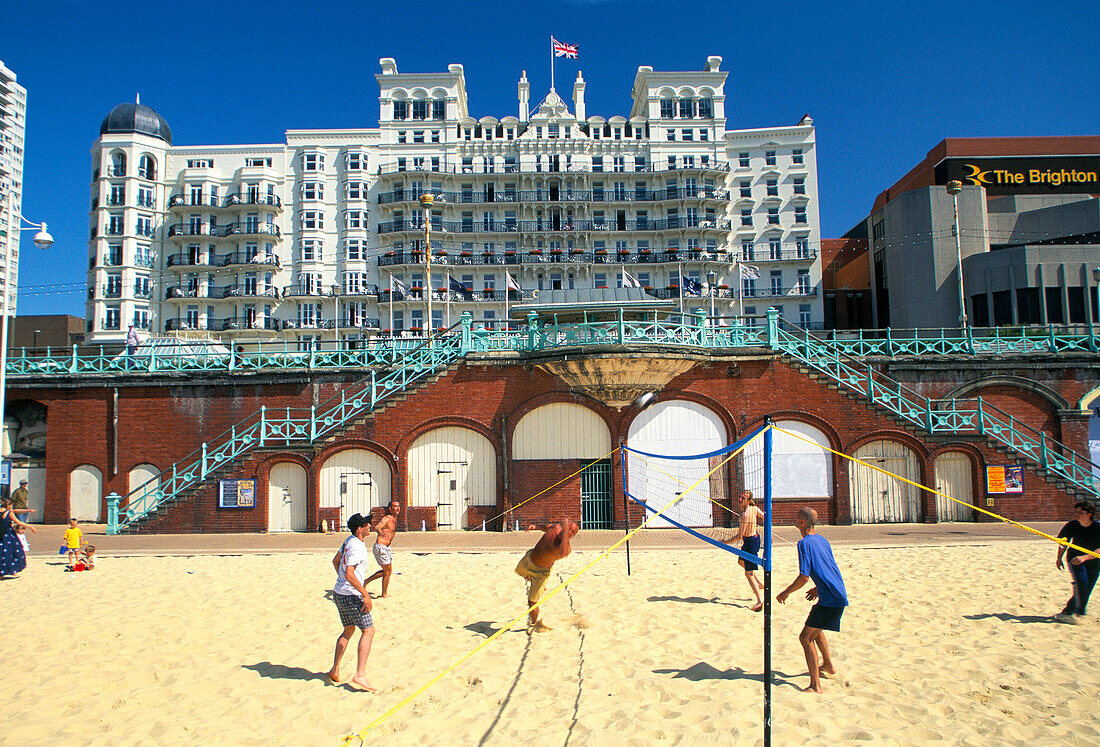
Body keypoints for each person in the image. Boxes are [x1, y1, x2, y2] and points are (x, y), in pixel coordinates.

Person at [777, 507, 848, 694]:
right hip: (837, 593)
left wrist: (786, 592)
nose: (795, 520)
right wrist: (820, 587)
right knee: (816, 630)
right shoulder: (823, 540)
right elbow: (829, 567)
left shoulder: (804, 543)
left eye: (796, 518)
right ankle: (829, 666)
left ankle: (815, 686)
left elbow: (803, 577)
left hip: (831, 599)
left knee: (805, 638)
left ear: (802, 522)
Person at [327, 513, 377, 692]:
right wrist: (364, 593)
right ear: (359, 528)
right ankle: (360, 674)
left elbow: (336, 561)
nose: (369, 526)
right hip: (350, 595)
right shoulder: (356, 546)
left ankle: (335, 669)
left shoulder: (348, 541)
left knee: (348, 630)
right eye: (366, 524)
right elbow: (349, 573)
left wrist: (342, 581)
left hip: (339, 593)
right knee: (369, 630)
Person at [515, 518, 580, 632]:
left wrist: (565, 533)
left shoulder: (567, 548)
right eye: (569, 528)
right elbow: (546, 527)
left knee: (532, 602)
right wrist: (535, 527)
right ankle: (536, 583)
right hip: (529, 558)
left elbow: (561, 550)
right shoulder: (555, 528)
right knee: (518, 570)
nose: (569, 532)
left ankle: (534, 623)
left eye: (572, 532)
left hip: (541, 573)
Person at [1054, 500, 1100, 623]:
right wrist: (1059, 559)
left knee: (1086, 589)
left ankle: (1068, 611)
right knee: (1082, 585)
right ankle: (1079, 614)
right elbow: (1063, 543)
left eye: (1081, 512)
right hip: (1074, 559)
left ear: (1089, 514)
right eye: (1076, 512)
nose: (1077, 514)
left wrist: (1085, 557)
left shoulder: (1097, 527)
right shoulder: (1071, 525)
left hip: (1093, 561)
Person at [724, 490, 766, 612]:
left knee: (749, 574)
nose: (740, 499)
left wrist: (725, 541)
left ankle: (759, 601)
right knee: (741, 562)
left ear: (748, 501)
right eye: (740, 497)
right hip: (754, 539)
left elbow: (740, 536)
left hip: (750, 543)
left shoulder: (745, 515)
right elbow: (764, 517)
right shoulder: (753, 508)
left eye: (743, 498)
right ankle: (760, 584)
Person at [366, 500, 401, 598]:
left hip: (386, 548)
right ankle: (383, 593)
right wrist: (381, 533)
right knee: (387, 571)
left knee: (387, 571)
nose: (397, 508)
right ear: (390, 508)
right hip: (381, 547)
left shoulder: (394, 518)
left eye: (398, 506)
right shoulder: (388, 518)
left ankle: (367, 582)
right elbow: (377, 527)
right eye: (395, 506)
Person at [0, 498, 30, 578]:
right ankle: (13, 570)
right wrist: (29, 526)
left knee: (2, 553)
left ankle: (2, 572)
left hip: (1, 534)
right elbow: (18, 522)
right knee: (13, 552)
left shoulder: (1, 511)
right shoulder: (9, 513)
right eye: (11, 505)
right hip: (9, 535)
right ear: (8, 505)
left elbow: (16, 510)